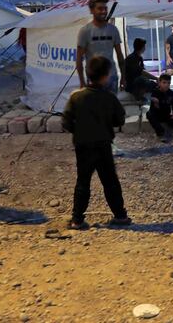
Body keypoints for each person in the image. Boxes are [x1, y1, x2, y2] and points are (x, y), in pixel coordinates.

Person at [63, 56, 131, 229]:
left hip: (83, 146)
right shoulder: (109, 98)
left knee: (83, 181)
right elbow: (119, 120)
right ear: (106, 76)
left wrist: (80, 131)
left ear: (87, 73)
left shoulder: (76, 97)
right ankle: (120, 216)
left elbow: (66, 123)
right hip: (103, 145)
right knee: (110, 181)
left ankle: (77, 219)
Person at [75, 0, 125, 93]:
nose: (104, 11)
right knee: (96, 107)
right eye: (100, 8)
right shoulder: (85, 31)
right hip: (94, 79)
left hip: (112, 77)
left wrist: (124, 76)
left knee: (111, 107)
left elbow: (120, 55)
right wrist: (82, 81)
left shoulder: (113, 30)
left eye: (105, 8)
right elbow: (79, 59)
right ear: (92, 10)